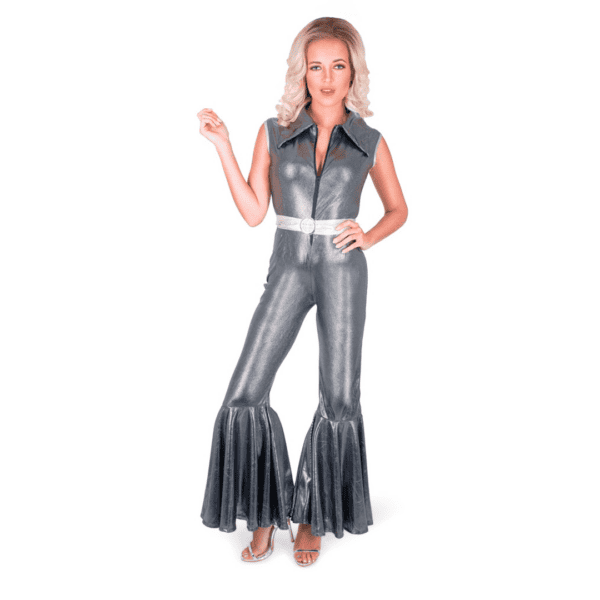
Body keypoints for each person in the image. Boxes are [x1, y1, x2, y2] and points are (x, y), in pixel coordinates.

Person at [197, 16, 408, 567]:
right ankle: (264, 511)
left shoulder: (369, 141)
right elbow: (253, 212)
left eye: (338, 65)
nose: (327, 77)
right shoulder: (274, 131)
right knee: (244, 393)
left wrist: (369, 235)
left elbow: (398, 209)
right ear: (302, 72)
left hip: (342, 269)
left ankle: (312, 512)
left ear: (353, 72)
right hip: (288, 267)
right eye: (316, 66)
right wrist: (222, 146)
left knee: (340, 396)